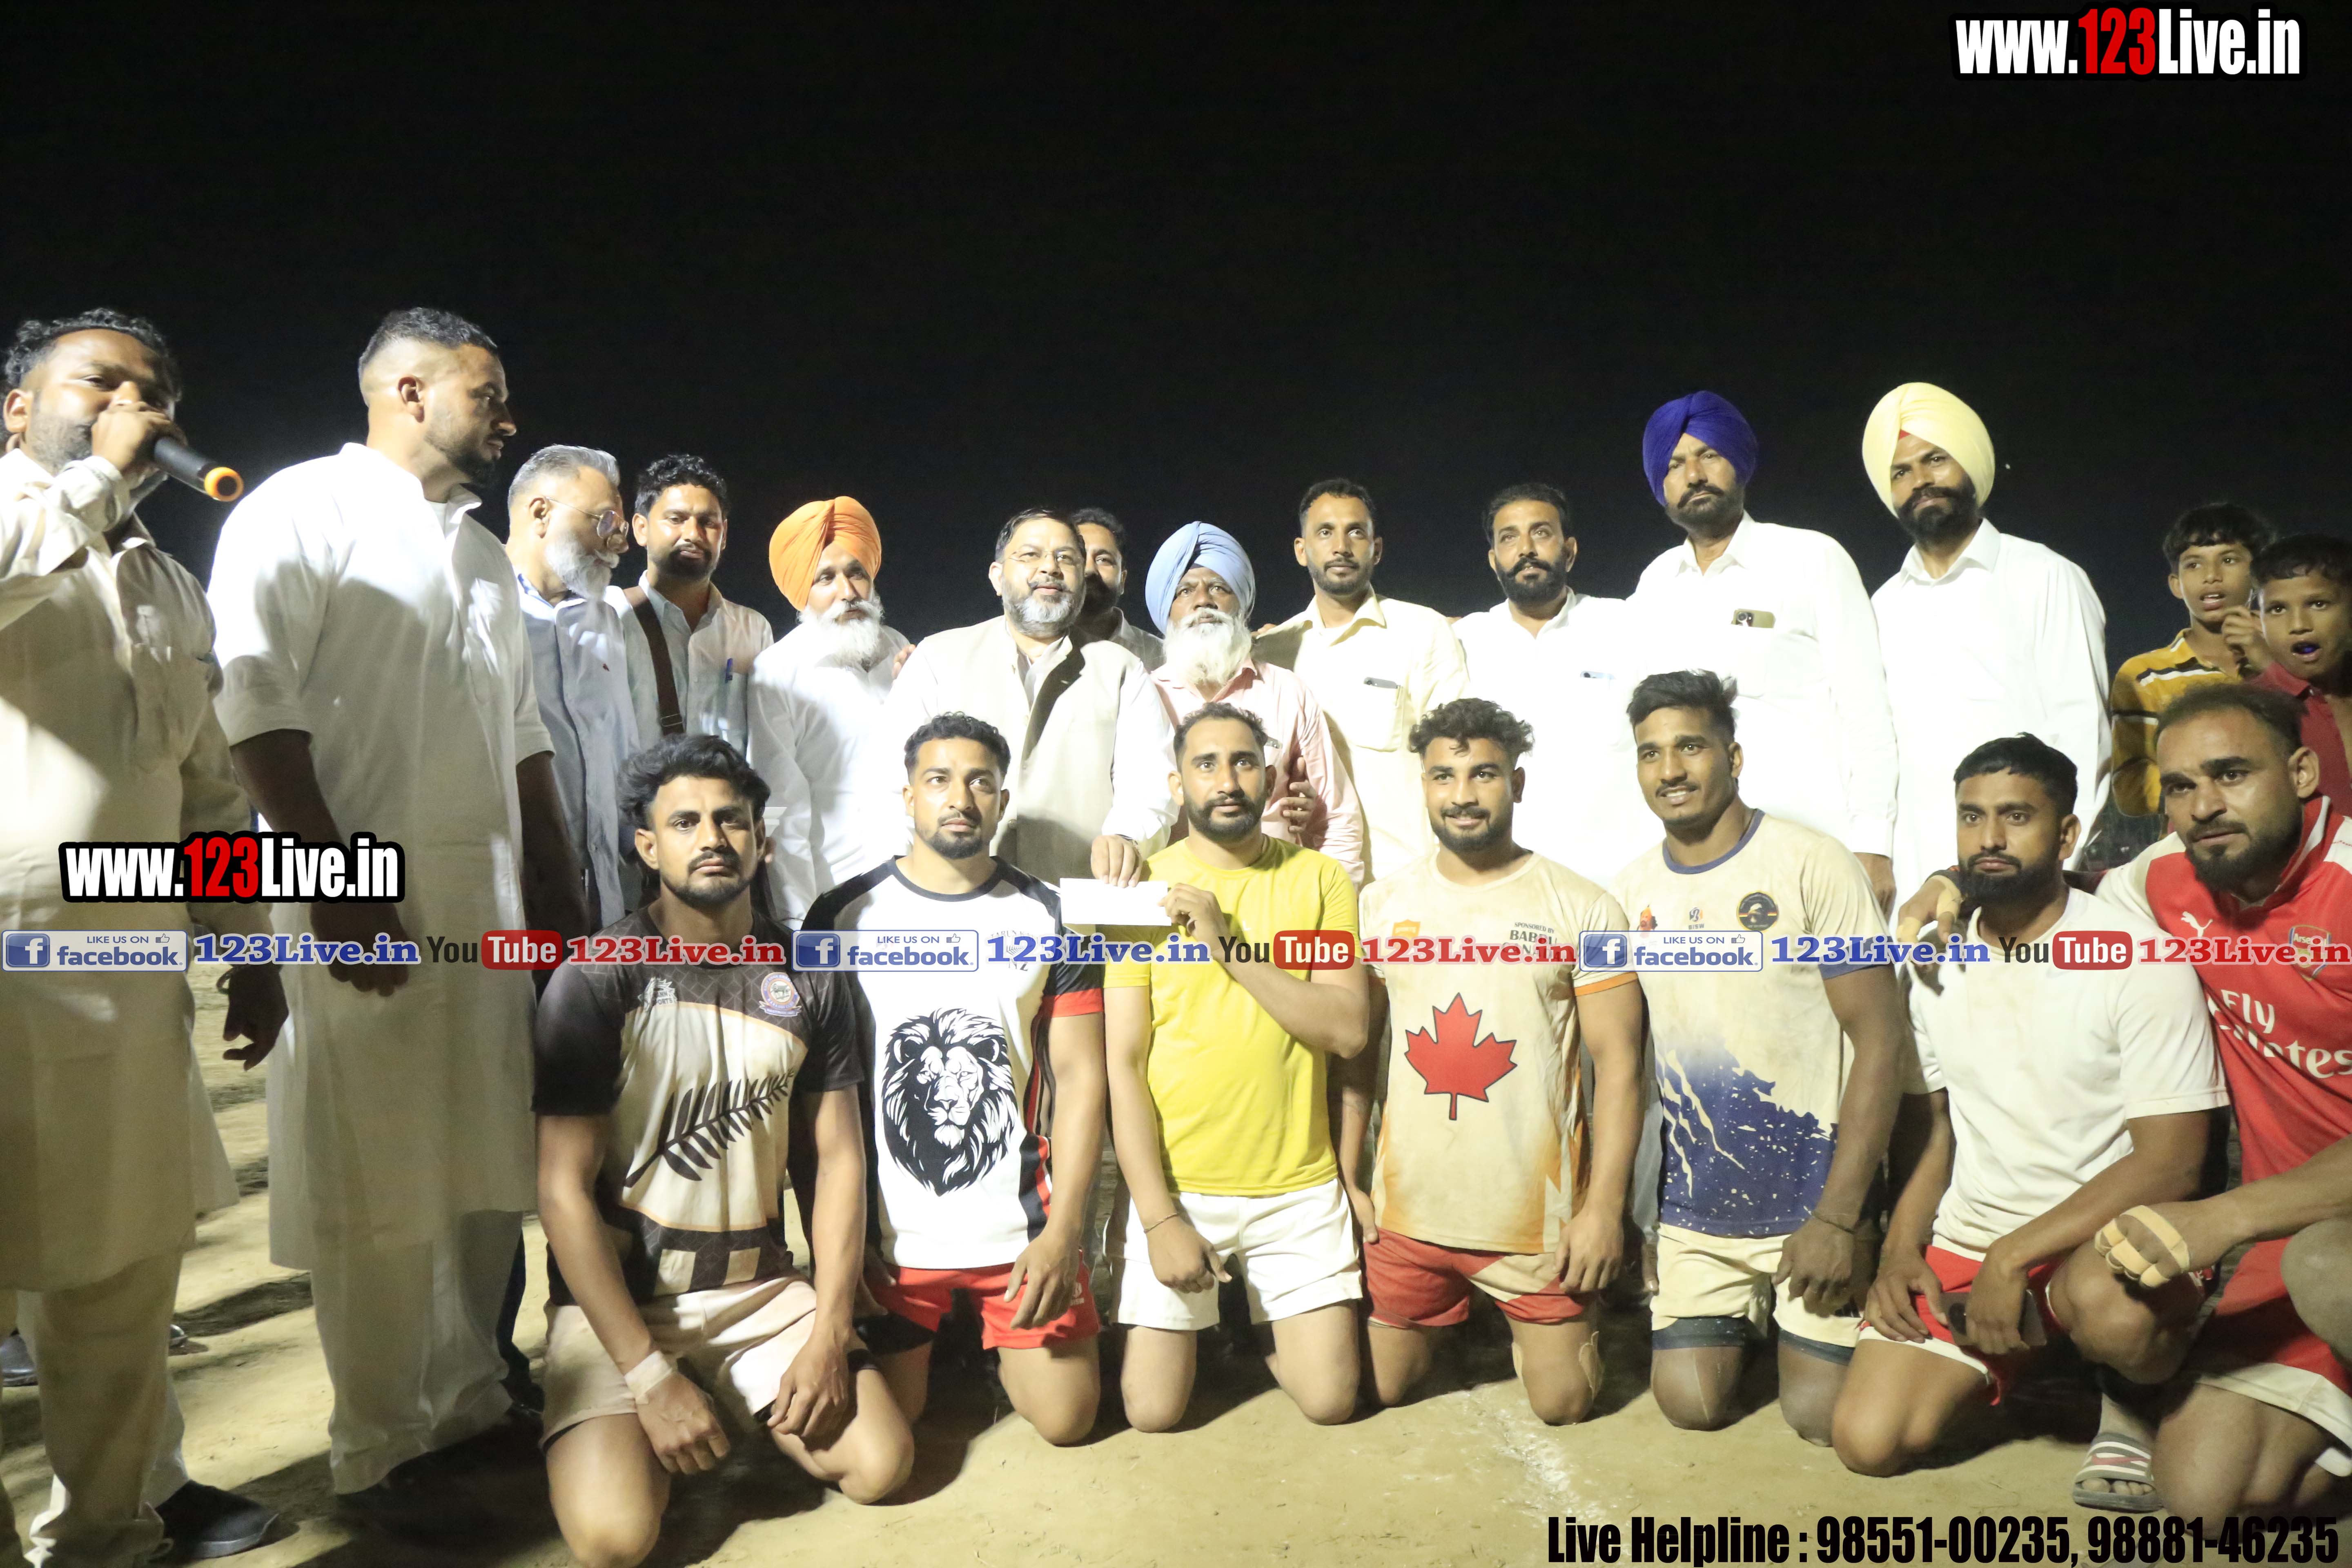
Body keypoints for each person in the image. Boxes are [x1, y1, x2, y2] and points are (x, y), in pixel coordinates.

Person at [207, 307, 592, 1532]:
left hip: (484, 909)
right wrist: (333, 879)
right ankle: (377, 1447)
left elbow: (522, 733)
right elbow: (255, 705)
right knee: (375, 1177)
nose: (509, 418)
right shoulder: (296, 510)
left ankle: (469, 1405)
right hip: (356, 909)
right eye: (490, 393)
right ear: (410, 391)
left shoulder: (478, 555)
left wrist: (557, 879)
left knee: (479, 1161)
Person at [1900, 684, 2352, 1521]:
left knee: (2329, 1271)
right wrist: (1950, 876)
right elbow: (2043, 883)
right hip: (2279, 1228)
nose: (2204, 805)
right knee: (2205, 1497)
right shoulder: (2166, 877)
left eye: (2231, 774)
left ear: (2300, 772)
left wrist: (2225, 1216)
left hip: (2317, 1229)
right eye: (2180, 787)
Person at [2, 311, 283, 1563]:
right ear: (18, 408)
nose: (135, 406)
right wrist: (91, 484)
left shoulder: (166, 583)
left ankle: (107, 1532)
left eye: (152, 390)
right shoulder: (20, 522)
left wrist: (251, 942)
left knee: (117, 1274)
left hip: (121, 979)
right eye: (99, 381)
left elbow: (206, 790)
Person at [534, 736, 912, 1567]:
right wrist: (647, 1377)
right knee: (613, 1541)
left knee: (881, 1465)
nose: (712, 838)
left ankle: (730, 1393)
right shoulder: (596, 978)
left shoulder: (809, 973)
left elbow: (838, 1161)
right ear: (648, 846)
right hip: (624, 1306)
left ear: (761, 839)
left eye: (731, 820)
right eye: (686, 822)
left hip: (758, 1290)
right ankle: (643, 1416)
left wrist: (830, 1330)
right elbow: (561, 1192)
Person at [1830, 736, 2226, 1494]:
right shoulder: (1936, 959)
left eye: (2017, 817)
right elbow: (1938, 1129)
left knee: (2112, 1316)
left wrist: (2011, 1258)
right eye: (1971, 817)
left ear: (2067, 834)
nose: (1990, 838)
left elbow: (2173, 1163)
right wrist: (1903, 1249)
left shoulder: (2138, 957)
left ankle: (2133, 1398)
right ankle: (2039, 1359)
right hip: (1976, 1236)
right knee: (1868, 1440)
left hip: (2106, 1241)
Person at [1610, 670, 1910, 1443]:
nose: (1670, 771)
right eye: (1650, 753)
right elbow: (1631, 1070)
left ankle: (1835, 1300)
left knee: (1819, 1418)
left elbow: (1883, 1039)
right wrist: (1637, 1216)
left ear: (1733, 757)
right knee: (1691, 1404)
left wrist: (1840, 1219)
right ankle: (1741, 1317)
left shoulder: (1814, 863)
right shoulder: (1631, 891)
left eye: (1690, 747)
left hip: (1815, 1204)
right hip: (1698, 1213)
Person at [1338, 698, 1647, 1423]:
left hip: (1535, 1226)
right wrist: (1348, 1176)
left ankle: (1519, 1320)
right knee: (1380, 1389)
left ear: (1518, 783)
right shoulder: (1380, 905)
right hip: (1409, 1219)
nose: (1463, 794)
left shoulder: (1586, 907)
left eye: (1483, 774)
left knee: (1565, 1404)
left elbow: (1622, 1068)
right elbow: (1355, 1057)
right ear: (1423, 786)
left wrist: (1604, 1211)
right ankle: (1450, 1311)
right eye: (1443, 776)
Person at [804, 713, 1108, 1444]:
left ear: (1002, 801)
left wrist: (1064, 1232)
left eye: (980, 782)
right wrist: (835, 1262)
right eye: (938, 780)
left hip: (1019, 1233)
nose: (960, 799)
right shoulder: (840, 917)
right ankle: (945, 1344)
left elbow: (1081, 1079)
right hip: (892, 1247)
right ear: (908, 795)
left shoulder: (1052, 915)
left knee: (1068, 1421)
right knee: (886, 1428)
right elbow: (820, 1103)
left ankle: (987, 1340)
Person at [1103, 703, 1370, 1430]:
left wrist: (1226, 945)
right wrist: (1159, 1217)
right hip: (1182, 1187)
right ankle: (1222, 1305)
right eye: (1207, 764)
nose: (1227, 781)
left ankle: (1253, 1318)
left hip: (1297, 1188)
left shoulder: (1320, 881)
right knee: (1153, 1412)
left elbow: (1347, 1030)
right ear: (1177, 784)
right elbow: (1123, 1064)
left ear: (1271, 778)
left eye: (1245, 762)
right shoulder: (1143, 896)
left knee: (1331, 1402)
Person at [1624, 394, 1900, 906]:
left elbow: (1867, 710)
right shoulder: (1655, 585)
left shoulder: (1811, 558)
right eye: (1675, 464)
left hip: (1813, 846)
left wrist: (1874, 842)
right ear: (1660, 485)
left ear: (1738, 462)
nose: (1694, 475)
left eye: (1709, 455)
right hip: (1693, 861)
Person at [1864, 382, 2110, 903]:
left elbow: (2084, 737)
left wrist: (2055, 873)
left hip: (2027, 880)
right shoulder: (1881, 606)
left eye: (1935, 460)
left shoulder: (2044, 576)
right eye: (1900, 472)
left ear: (1970, 465)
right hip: (1913, 884)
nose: (1920, 481)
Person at [876, 508, 1175, 885]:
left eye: (1066, 558)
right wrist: (902, 882)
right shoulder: (936, 659)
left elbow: (1150, 783)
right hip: (951, 897)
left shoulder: (1122, 670)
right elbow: (890, 784)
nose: (1050, 567)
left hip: (1078, 899)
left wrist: (1127, 837)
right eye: (1030, 555)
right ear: (997, 577)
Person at [1256, 478, 1469, 882]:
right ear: (1301, 550)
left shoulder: (1422, 631)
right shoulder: (1272, 652)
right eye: (1325, 532)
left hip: (1400, 880)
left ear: (1377, 549)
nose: (1341, 546)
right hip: (1294, 881)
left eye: (1356, 532)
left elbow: (1457, 758)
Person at [1143, 520, 1366, 883]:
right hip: (1172, 898)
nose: (1203, 601)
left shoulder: (1287, 691)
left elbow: (1336, 818)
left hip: (1279, 894)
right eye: (1184, 591)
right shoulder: (1145, 695)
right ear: (1166, 609)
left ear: (1242, 604)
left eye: (1219, 587)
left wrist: (1334, 903)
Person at [1454, 483, 1653, 886]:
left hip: (1619, 881)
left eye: (1541, 533)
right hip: (1504, 883)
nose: (1526, 549)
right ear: (1494, 561)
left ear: (1570, 551)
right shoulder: (1465, 641)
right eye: (1509, 538)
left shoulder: (1626, 625)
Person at [746, 496, 905, 918]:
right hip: (834, 897)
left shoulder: (902, 650)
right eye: (826, 578)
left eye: (857, 573)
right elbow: (781, 809)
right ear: (803, 592)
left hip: (915, 887)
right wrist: (798, 923)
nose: (848, 592)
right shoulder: (778, 672)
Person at [507, 444, 640, 927]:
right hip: (517, 898)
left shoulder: (604, 619)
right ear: (541, 513)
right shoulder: (479, 606)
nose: (620, 544)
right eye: (605, 522)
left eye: (620, 529)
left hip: (605, 902)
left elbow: (622, 747)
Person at [2109, 503, 2274, 820]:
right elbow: (2130, 789)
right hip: (2195, 838)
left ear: (2259, 575)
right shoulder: (2146, 676)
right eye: (2194, 565)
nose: (2211, 576)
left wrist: (2269, 666)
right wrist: (2215, 795)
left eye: (2228, 560)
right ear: (2176, 584)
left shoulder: (2290, 660)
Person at [610, 453, 773, 754]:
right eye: (676, 519)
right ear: (641, 529)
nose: (693, 535)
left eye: (707, 523)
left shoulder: (752, 629)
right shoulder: (609, 615)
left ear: (724, 535)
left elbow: (768, 742)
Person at [2242, 534, 2352, 817]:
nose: (2299, 625)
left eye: (2318, 604)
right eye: (2278, 609)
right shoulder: (2246, 714)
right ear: (2259, 621)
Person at [1072, 506, 1163, 669]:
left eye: (1104, 560)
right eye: (1079, 557)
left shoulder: (1159, 656)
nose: (1089, 570)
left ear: (1123, 580)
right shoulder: (1032, 650)